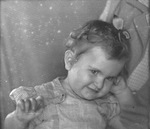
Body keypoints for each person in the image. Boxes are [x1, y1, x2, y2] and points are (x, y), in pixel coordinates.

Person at [4, 20, 136, 129]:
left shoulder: (106, 104)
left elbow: (131, 124)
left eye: (109, 78)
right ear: (70, 60)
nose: (100, 84)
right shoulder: (42, 98)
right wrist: (19, 120)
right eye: (94, 72)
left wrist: (123, 92)